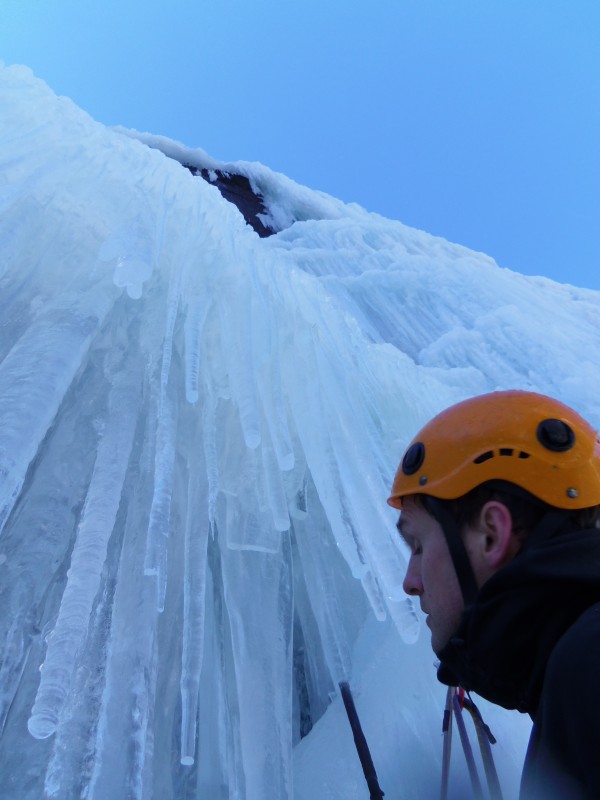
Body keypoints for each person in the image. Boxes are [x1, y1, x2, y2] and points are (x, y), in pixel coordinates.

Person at [387, 390, 600, 800]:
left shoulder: (587, 662)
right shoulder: (566, 669)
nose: (410, 582)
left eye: (417, 545)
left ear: (491, 534)